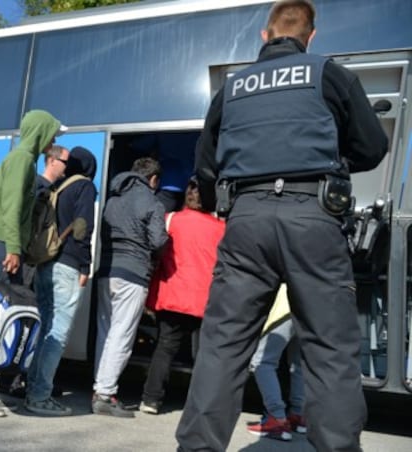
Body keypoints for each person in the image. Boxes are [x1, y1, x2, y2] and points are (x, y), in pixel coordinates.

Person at [175, 1, 388, 450]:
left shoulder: (232, 88)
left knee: (224, 346)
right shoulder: (328, 73)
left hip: (245, 222)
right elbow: (372, 147)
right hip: (313, 217)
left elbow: (205, 167)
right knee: (328, 349)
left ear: (265, 36)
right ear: (311, 36)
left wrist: (227, 208)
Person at [0, 109, 67, 417]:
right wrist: (14, 248)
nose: (55, 140)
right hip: (1, 246)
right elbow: (13, 207)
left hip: (1, 244)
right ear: (40, 132)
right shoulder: (21, 161)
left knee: (1, 317)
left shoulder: (25, 160)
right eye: (52, 133)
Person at [139, 178, 224, 415]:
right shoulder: (221, 228)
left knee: (165, 348)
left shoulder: (171, 220)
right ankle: (199, 405)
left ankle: (151, 399)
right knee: (203, 354)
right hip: (205, 300)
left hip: (173, 295)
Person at [92, 157, 167, 418]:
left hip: (107, 271)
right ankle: (104, 393)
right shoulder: (152, 202)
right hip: (133, 273)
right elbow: (158, 241)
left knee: (106, 332)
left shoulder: (112, 199)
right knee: (122, 335)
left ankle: (99, 386)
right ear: (153, 179)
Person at [25, 146, 97, 416]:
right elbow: (83, 227)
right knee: (57, 333)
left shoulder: (59, 187)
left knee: (44, 330)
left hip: (46, 264)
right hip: (67, 265)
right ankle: (40, 396)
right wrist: (85, 265)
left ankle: (33, 387)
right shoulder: (84, 187)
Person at [246, 315, 306, 441]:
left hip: (284, 309)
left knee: (263, 361)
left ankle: (277, 419)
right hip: (311, 309)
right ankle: (298, 415)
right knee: (298, 363)